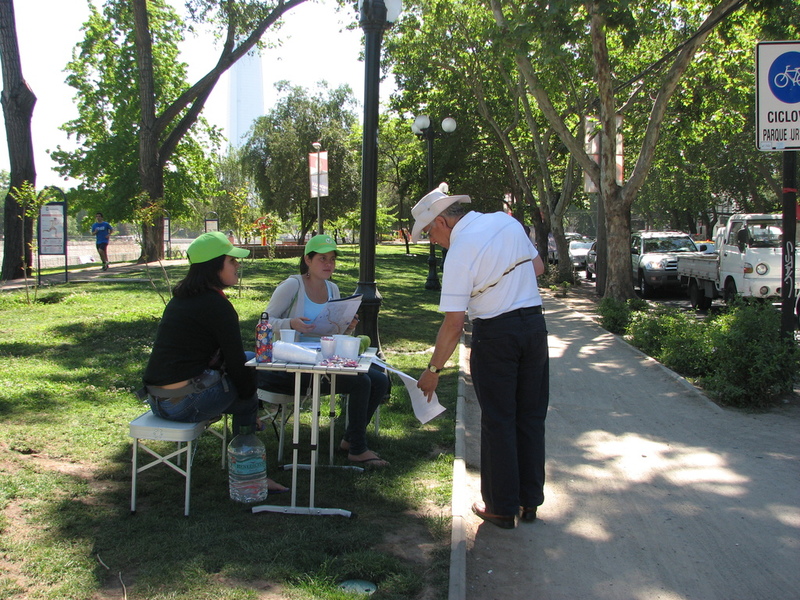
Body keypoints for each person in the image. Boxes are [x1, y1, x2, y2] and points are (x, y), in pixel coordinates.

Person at [412, 183, 548, 529]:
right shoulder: (507, 223)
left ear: (443, 221)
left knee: (499, 420)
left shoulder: (460, 250)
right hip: (533, 328)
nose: (431, 239)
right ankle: (529, 501)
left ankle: (501, 507)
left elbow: (454, 324)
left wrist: (433, 369)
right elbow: (538, 268)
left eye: (429, 231)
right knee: (530, 416)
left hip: (496, 336)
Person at [141, 231, 288, 493]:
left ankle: (247, 443)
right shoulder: (217, 306)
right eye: (232, 261)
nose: (237, 265)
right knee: (247, 390)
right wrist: (250, 402)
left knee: (249, 361)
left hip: (157, 401)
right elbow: (236, 367)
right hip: (182, 404)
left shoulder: (181, 299)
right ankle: (250, 475)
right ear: (214, 266)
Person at [259, 234, 390, 467]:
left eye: (332, 259)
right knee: (362, 383)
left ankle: (350, 440)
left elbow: (334, 334)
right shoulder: (292, 285)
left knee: (379, 380)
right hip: (294, 366)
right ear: (307, 260)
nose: (328, 264)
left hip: (325, 363)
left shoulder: (333, 288)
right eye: (322, 259)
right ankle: (358, 449)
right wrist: (291, 323)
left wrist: (347, 326)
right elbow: (265, 322)